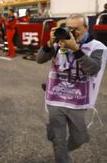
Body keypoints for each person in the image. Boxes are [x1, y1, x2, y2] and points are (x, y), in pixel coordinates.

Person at [36, 14, 107, 163]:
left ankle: (60, 147)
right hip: (56, 98)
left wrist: (75, 49)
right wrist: (49, 43)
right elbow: (39, 59)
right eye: (69, 29)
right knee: (59, 140)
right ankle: (59, 148)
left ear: (86, 28)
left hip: (78, 100)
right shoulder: (58, 43)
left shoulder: (97, 47)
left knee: (80, 137)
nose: (72, 32)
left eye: (77, 29)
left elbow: (93, 69)